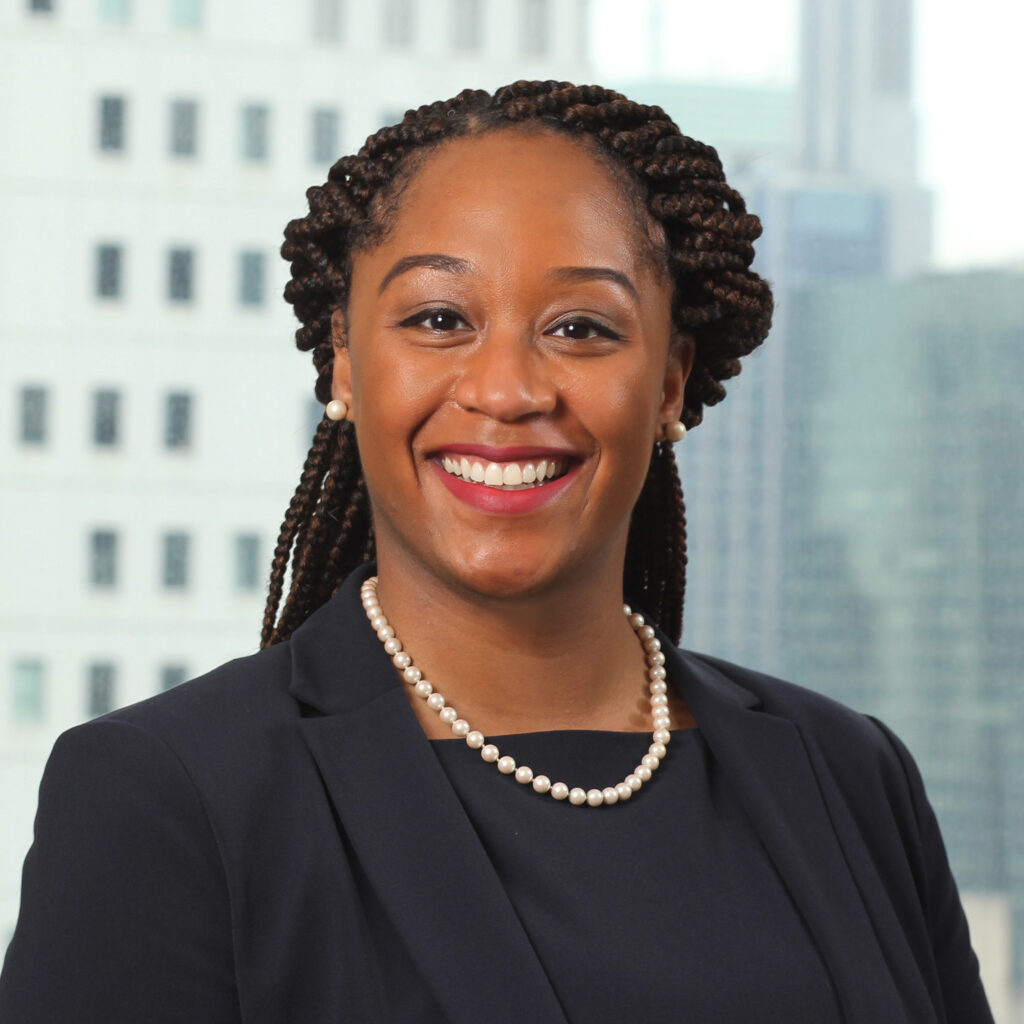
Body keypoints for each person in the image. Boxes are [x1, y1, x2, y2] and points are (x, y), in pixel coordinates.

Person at [0, 81, 993, 1023]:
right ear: (345, 358)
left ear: (668, 385)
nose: (509, 389)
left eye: (579, 327)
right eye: (439, 319)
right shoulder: (167, 797)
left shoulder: (848, 775)